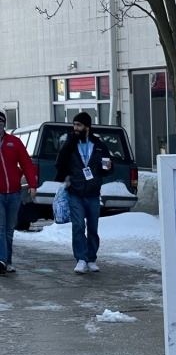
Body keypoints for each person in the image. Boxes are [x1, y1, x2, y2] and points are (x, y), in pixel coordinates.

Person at [55, 111, 112, 273]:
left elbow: (106, 168)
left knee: (93, 227)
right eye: (74, 125)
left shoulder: (99, 145)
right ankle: (81, 258)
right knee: (78, 226)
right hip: (76, 193)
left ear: (87, 126)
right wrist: (66, 178)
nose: (75, 128)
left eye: (79, 125)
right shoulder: (70, 144)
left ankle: (91, 258)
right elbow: (60, 162)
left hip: (93, 194)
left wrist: (109, 168)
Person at [0, 109, 38, 275]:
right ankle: (1, 260)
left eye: (1, 124)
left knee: (9, 229)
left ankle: (7, 261)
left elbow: (26, 163)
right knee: (0, 228)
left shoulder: (14, 142)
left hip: (14, 193)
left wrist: (32, 184)